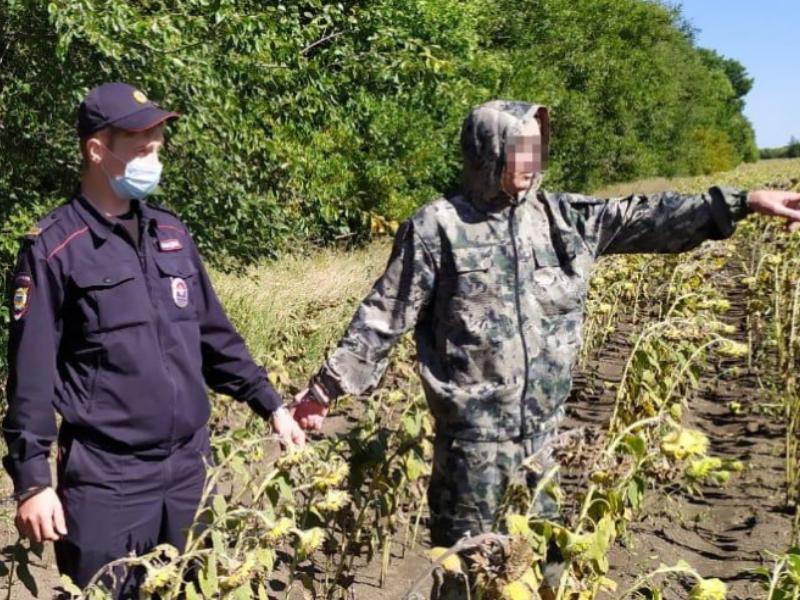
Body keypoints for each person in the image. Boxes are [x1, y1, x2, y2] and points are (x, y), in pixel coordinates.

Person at [291, 100, 800, 594]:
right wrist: (324, 391)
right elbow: (384, 315)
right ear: (488, 152)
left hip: (544, 444)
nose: (531, 161)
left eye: (537, 148)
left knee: (543, 567)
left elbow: (648, 215)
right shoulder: (438, 228)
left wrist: (744, 202)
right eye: (519, 148)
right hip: (472, 450)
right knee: (467, 575)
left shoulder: (564, 219)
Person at [3, 82, 305, 595]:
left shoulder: (171, 234)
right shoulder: (55, 249)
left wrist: (271, 405)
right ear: (97, 151)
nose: (154, 160)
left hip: (190, 469)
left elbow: (214, 336)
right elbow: (31, 376)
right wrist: (33, 482)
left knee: (194, 587)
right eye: (142, 150)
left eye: (157, 148)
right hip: (108, 480)